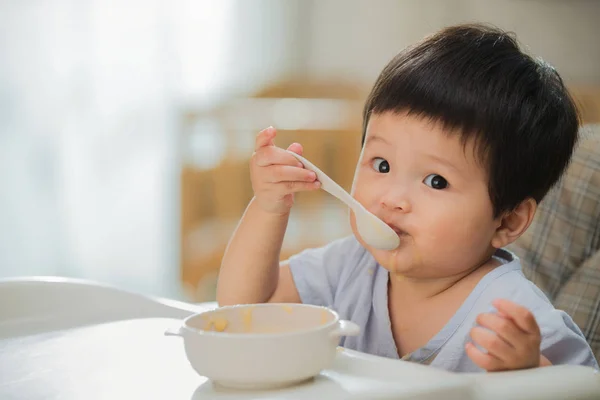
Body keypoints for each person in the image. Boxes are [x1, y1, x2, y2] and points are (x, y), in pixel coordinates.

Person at [216, 23, 599, 372]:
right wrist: (268, 208)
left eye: (435, 181)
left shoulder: (510, 315)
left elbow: (580, 387)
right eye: (381, 165)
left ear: (508, 221)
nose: (393, 198)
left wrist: (531, 371)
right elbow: (246, 309)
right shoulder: (350, 267)